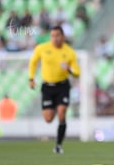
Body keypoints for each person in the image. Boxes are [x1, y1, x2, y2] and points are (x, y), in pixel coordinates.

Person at [28, 26, 80, 154]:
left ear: (63, 36)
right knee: (48, 118)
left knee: (62, 112)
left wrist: (69, 70)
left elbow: (77, 72)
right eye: (52, 36)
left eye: (57, 35)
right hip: (47, 87)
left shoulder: (69, 52)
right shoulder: (42, 48)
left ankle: (58, 145)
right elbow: (33, 62)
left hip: (62, 86)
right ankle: (57, 107)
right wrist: (31, 78)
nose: (55, 38)